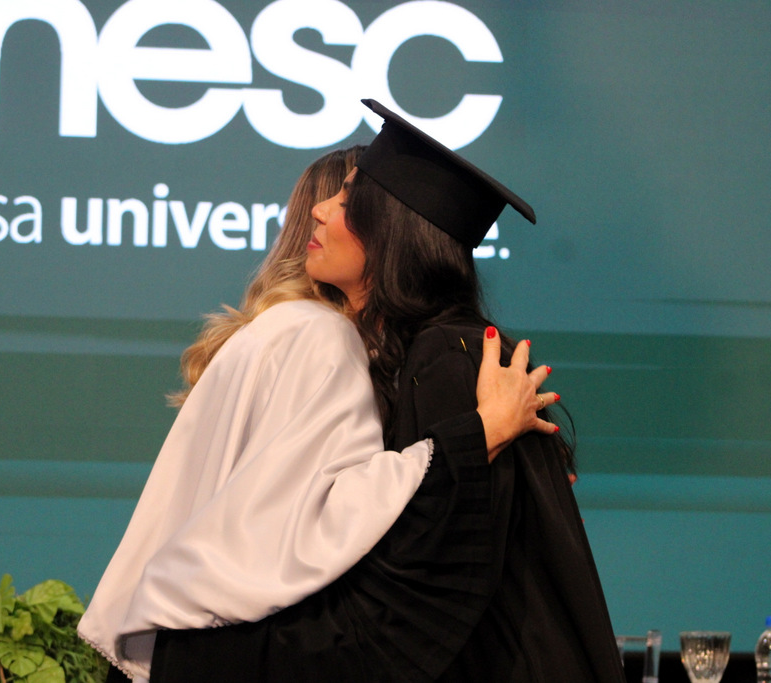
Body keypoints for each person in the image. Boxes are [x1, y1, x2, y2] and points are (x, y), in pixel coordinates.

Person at [148, 100, 625, 682]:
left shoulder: (450, 360)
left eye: (347, 200)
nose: (319, 211)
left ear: (391, 230)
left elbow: (426, 576)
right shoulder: (410, 357)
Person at [78, 146, 555, 682]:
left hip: (188, 637)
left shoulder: (284, 328)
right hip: (226, 643)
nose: (319, 212)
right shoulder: (321, 334)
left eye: (347, 201)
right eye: (337, 195)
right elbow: (324, 520)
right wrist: (484, 436)